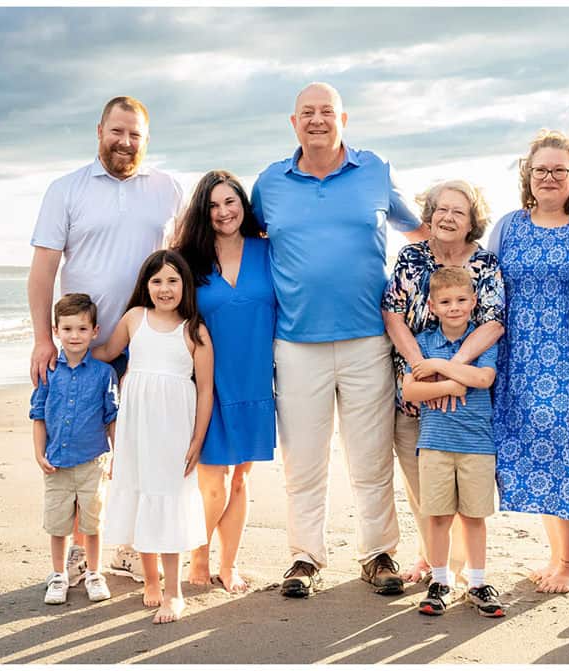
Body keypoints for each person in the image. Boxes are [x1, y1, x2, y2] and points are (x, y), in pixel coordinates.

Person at [250, 82, 428, 598]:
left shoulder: (375, 171)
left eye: (326, 112)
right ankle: (305, 557)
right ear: (293, 122)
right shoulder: (271, 183)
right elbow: (248, 237)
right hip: (295, 342)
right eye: (307, 112)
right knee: (304, 460)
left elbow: (417, 231)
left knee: (370, 457)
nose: (317, 120)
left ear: (343, 118)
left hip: (367, 340)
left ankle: (378, 554)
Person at [28, 95, 184, 585]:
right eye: (117, 131)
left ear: (147, 138)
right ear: (99, 130)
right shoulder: (66, 189)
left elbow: (179, 266)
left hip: (148, 343)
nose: (125, 141)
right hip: (83, 349)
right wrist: (42, 341)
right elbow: (43, 272)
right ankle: (77, 552)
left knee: (140, 449)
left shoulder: (168, 188)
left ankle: (134, 549)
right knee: (76, 448)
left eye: (135, 134)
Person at [487, 129, 569, 593]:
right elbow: (487, 286)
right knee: (538, 454)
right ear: (528, 175)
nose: (549, 177)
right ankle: (557, 557)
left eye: (560, 169)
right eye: (541, 170)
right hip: (519, 358)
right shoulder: (509, 225)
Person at [381, 180, 504, 585]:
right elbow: (393, 313)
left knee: (464, 486)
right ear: (429, 215)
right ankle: (433, 560)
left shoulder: (485, 265)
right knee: (424, 482)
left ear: (472, 222)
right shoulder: (411, 258)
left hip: (464, 388)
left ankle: (456, 567)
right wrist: (421, 365)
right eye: (442, 210)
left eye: (460, 212)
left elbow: (494, 322)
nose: (449, 218)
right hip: (414, 381)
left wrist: (448, 366)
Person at [93, 250, 213, 624]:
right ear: (146, 285)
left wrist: (197, 440)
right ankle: (150, 581)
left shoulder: (194, 329)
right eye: (157, 280)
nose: (165, 288)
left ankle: (174, 592)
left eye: (173, 280)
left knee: (168, 498)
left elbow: (206, 390)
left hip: (175, 425)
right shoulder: (134, 319)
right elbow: (108, 353)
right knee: (143, 494)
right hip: (136, 424)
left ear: (185, 285)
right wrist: (69, 351)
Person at [171, 170, 276, 594]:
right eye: (213, 205)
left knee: (239, 479)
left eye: (230, 202)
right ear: (203, 212)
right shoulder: (187, 259)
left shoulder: (267, 251)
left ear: (243, 205)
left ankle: (228, 565)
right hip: (206, 384)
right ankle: (198, 554)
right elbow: (160, 309)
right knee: (211, 482)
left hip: (256, 379)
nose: (223, 212)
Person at [402, 267, 505, 618]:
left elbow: (483, 377)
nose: (454, 307)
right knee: (438, 517)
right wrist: (449, 384)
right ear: (432, 305)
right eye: (445, 301)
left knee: (474, 517)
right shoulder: (424, 341)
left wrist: (438, 367)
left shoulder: (481, 340)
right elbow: (411, 390)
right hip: (434, 443)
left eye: (462, 300)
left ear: (473, 301)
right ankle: (440, 581)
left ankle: (477, 582)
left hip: (477, 444)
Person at [30, 293, 118, 605]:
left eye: (82, 329)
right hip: (56, 463)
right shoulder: (49, 371)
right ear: (56, 331)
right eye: (67, 329)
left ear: (95, 331)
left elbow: (111, 418)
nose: (74, 336)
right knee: (58, 525)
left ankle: (95, 573)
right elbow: (38, 416)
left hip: (93, 461)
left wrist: (114, 456)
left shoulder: (103, 373)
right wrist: (39, 454)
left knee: (92, 523)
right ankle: (59, 575)